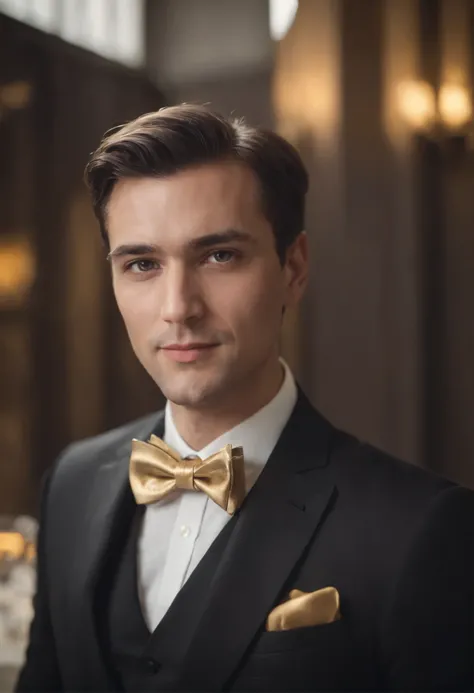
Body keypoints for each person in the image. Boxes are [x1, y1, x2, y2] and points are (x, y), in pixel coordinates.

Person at [16, 104, 473, 693]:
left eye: (219, 256)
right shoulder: (72, 483)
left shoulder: (425, 529)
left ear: (294, 267)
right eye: (142, 264)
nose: (178, 306)